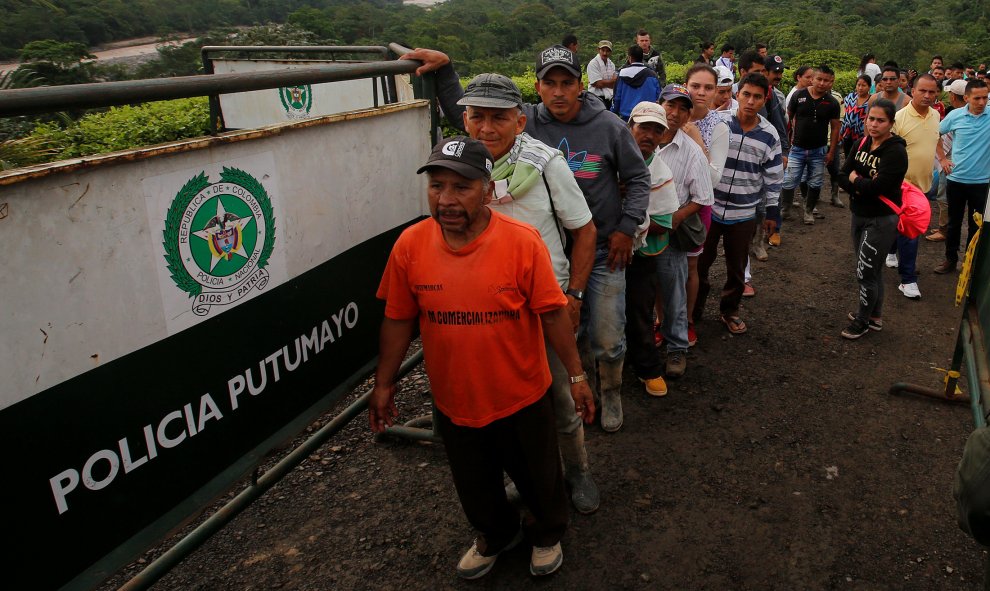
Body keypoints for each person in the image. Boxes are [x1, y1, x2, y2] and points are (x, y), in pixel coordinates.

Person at [370, 136, 595, 578]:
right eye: (437, 187)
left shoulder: (522, 242)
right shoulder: (410, 246)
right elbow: (398, 319)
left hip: (522, 395)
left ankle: (547, 532)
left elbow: (552, 316)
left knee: (539, 475)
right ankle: (496, 533)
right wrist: (384, 383)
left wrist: (576, 375)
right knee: (474, 481)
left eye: (462, 187)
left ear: (488, 191)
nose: (447, 200)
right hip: (454, 398)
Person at [403, 44, 651, 433]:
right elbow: (472, 122)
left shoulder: (609, 127)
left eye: (566, 83)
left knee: (606, 333)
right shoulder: (527, 121)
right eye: (549, 83)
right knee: (568, 333)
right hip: (552, 254)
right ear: (536, 87)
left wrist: (626, 227)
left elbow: (638, 178)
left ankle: (611, 389)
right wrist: (447, 71)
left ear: (580, 85)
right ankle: (576, 389)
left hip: (600, 246)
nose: (558, 92)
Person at [456, 73, 601, 514]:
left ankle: (577, 470)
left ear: (519, 122)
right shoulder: (460, 168)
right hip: (488, 311)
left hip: (547, 302)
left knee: (561, 394)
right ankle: (531, 477)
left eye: (498, 118)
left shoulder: (544, 162)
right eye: (477, 117)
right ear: (465, 121)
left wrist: (574, 296)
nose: (487, 128)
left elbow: (586, 230)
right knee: (506, 406)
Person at [696, 72, 783, 335]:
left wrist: (772, 211)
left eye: (757, 96)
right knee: (700, 263)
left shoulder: (769, 135)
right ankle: (693, 309)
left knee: (737, 267)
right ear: (737, 94)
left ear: (764, 98)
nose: (751, 101)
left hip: (744, 212)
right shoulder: (718, 122)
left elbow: (774, 177)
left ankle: (729, 311)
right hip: (710, 206)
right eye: (746, 94)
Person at [655, 84, 715, 376]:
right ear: (659, 104)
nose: (674, 113)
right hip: (637, 231)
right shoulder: (639, 140)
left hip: (669, 234)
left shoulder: (691, 151)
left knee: (674, 292)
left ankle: (677, 349)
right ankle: (649, 338)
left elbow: (703, 197)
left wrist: (676, 218)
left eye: (682, 108)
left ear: (689, 115)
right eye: (670, 105)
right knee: (643, 290)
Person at [837, 99, 908, 339]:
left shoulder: (896, 152)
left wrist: (856, 182)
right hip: (859, 214)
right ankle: (874, 317)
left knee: (865, 271)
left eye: (881, 120)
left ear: (891, 123)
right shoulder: (861, 142)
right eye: (871, 119)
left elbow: (879, 187)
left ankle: (862, 320)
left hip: (881, 219)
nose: (874, 124)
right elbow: (841, 174)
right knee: (871, 268)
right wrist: (858, 185)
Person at [623, 101, 679, 396]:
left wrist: (631, 225)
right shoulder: (612, 160)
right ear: (629, 127)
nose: (649, 135)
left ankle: (647, 368)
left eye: (657, 130)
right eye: (643, 126)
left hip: (642, 253)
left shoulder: (660, 171)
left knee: (640, 310)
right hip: (605, 248)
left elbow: (665, 220)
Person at [683, 64, 729, 346]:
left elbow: (713, 178)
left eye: (708, 88)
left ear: (717, 93)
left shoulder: (719, 126)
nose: (701, 93)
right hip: (663, 205)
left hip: (696, 209)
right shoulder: (668, 115)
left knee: (690, 269)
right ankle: (660, 319)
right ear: (685, 86)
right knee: (659, 266)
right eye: (695, 86)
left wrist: (697, 139)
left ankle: (686, 321)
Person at [884, 74, 941, 301]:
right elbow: (885, 150)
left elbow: (935, 141)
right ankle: (908, 280)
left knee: (902, 228)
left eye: (932, 92)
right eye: (922, 91)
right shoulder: (899, 118)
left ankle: (890, 251)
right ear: (913, 91)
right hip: (903, 187)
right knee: (912, 232)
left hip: (924, 184)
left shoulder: (936, 115)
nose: (927, 96)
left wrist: (942, 159)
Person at [934, 79, 990, 274]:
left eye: (985, 97)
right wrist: (942, 160)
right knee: (954, 222)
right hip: (956, 180)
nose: (982, 102)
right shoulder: (955, 116)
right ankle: (950, 260)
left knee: (977, 225)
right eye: (977, 98)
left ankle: (970, 262)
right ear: (966, 98)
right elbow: (935, 135)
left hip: (982, 183)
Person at [783, 65, 841, 225]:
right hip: (797, 148)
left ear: (832, 82)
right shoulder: (798, 96)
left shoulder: (832, 103)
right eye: (819, 79)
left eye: (827, 81)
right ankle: (785, 209)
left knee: (815, 182)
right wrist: (786, 145)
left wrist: (831, 151)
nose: (822, 83)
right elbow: (788, 120)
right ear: (812, 79)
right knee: (788, 181)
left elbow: (836, 128)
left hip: (819, 150)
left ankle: (808, 211)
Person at [927, 79, 969, 243]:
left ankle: (944, 230)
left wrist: (943, 159)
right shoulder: (963, 114)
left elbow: (937, 134)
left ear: (953, 96)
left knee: (943, 197)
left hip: (950, 162)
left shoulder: (955, 115)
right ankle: (944, 226)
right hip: (951, 160)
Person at [761, 55, 791, 249]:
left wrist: (785, 151)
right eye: (775, 72)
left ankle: (775, 230)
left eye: (780, 72)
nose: (778, 75)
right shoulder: (745, 91)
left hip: (772, 150)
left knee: (774, 190)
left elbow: (782, 126)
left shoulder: (774, 95)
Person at [612, 44, 661, 120]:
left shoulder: (622, 74)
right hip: (648, 118)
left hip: (627, 118)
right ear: (642, 57)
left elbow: (617, 98)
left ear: (630, 58)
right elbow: (659, 97)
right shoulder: (652, 75)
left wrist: (613, 113)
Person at [587, 40, 617, 111]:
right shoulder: (593, 63)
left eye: (607, 51)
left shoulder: (611, 64)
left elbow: (614, 84)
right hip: (596, 98)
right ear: (598, 50)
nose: (605, 53)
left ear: (610, 52)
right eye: (603, 50)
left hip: (609, 98)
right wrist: (612, 81)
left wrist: (606, 82)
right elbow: (597, 83)